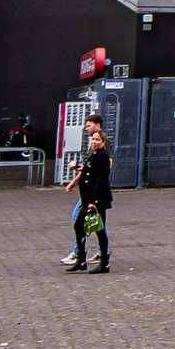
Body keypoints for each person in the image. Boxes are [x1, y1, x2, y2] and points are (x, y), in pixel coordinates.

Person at [61, 113, 114, 273]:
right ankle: (81, 259)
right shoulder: (94, 155)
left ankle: (103, 261)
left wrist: (93, 201)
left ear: (103, 142)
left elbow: (100, 179)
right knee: (81, 226)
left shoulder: (103, 156)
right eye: (93, 140)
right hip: (88, 197)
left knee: (98, 228)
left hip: (95, 199)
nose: (94, 141)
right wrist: (75, 171)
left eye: (97, 140)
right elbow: (87, 171)